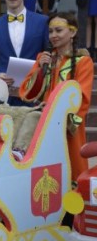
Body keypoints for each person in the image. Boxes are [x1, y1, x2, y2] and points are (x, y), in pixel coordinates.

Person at [19, 12, 94, 183]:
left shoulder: (83, 62)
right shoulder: (43, 58)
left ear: (73, 33)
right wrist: (39, 69)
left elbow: (82, 99)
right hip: (43, 123)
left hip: (67, 128)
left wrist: (61, 118)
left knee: (71, 173)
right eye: (51, 31)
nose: (53, 36)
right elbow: (28, 93)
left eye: (59, 30)